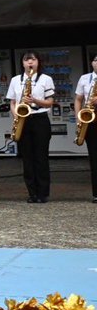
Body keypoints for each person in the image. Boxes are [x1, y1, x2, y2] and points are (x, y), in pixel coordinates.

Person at [7, 51, 55, 203]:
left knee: (41, 157)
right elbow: (12, 102)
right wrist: (16, 116)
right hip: (23, 119)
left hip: (40, 118)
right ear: (22, 63)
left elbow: (50, 102)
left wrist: (34, 100)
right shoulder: (16, 80)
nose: (30, 63)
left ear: (38, 62)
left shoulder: (46, 79)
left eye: (33, 60)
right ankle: (32, 193)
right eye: (26, 60)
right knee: (27, 158)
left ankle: (43, 193)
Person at [74, 52, 97, 203]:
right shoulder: (84, 78)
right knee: (94, 158)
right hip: (91, 120)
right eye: (96, 60)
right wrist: (78, 117)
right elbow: (78, 99)